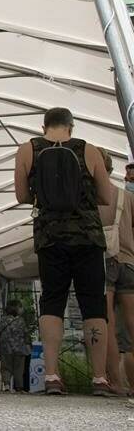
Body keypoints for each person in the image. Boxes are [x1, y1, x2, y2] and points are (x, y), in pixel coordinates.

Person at [14, 107, 116, 396]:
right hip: (87, 239)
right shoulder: (89, 150)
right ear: (72, 127)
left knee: (52, 301)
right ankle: (99, 379)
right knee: (93, 304)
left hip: (49, 238)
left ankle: (51, 375)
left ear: (43, 126)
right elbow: (106, 197)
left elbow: (22, 195)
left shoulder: (27, 150)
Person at [99, 150, 134, 395]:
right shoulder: (127, 196)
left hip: (103, 262)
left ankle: (115, 382)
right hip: (130, 262)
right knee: (132, 324)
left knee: (107, 320)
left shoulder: (92, 197)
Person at [0, 299, 30, 392]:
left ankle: (6, 385)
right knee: (19, 369)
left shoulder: (1, 320)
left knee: (5, 367)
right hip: (20, 349)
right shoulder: (21, 321)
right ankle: (19, 387)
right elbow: (26, 335)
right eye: (20, 307)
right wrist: (28, 345)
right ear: (17, 309)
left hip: (5, 349)